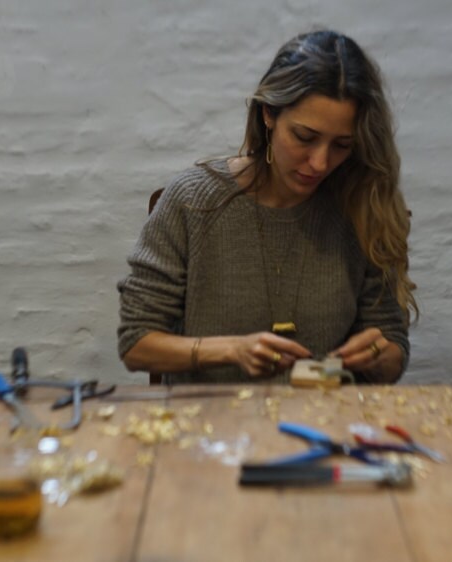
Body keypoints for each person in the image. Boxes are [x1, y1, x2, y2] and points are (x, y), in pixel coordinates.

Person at [117, 29, 418, 384]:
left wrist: (378, 356)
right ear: (268, 115)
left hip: (323, 421)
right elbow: (136, 343)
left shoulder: (361, 206)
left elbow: (393, 350)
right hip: (212, 428)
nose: (320, 163)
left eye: (342, 145)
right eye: (304, 138)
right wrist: (231, 351)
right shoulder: (194, 202)